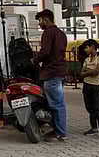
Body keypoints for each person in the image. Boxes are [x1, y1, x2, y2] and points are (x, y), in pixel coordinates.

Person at [32, 9, 67, 142]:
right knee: (57, 103)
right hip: (60, 72)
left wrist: (34, 59)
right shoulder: (61, 33)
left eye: (40, 21)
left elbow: (45, 52)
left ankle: (60, 132)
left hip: (51, 73)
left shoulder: (48, 33)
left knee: (56, 104)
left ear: (46, 20)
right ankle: (58, 130)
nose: (39, 24)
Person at [80, 39, 99, 141]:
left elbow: (97, 72)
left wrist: (87, 71)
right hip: (86, 85)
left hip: (96, 86)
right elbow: (81, 73)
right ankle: (94, 127)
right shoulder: (87, 59)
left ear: (92, 47)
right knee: (89, 107)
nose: (85, 50)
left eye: (86, 48)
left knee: (98, 109)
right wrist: (90, 71)